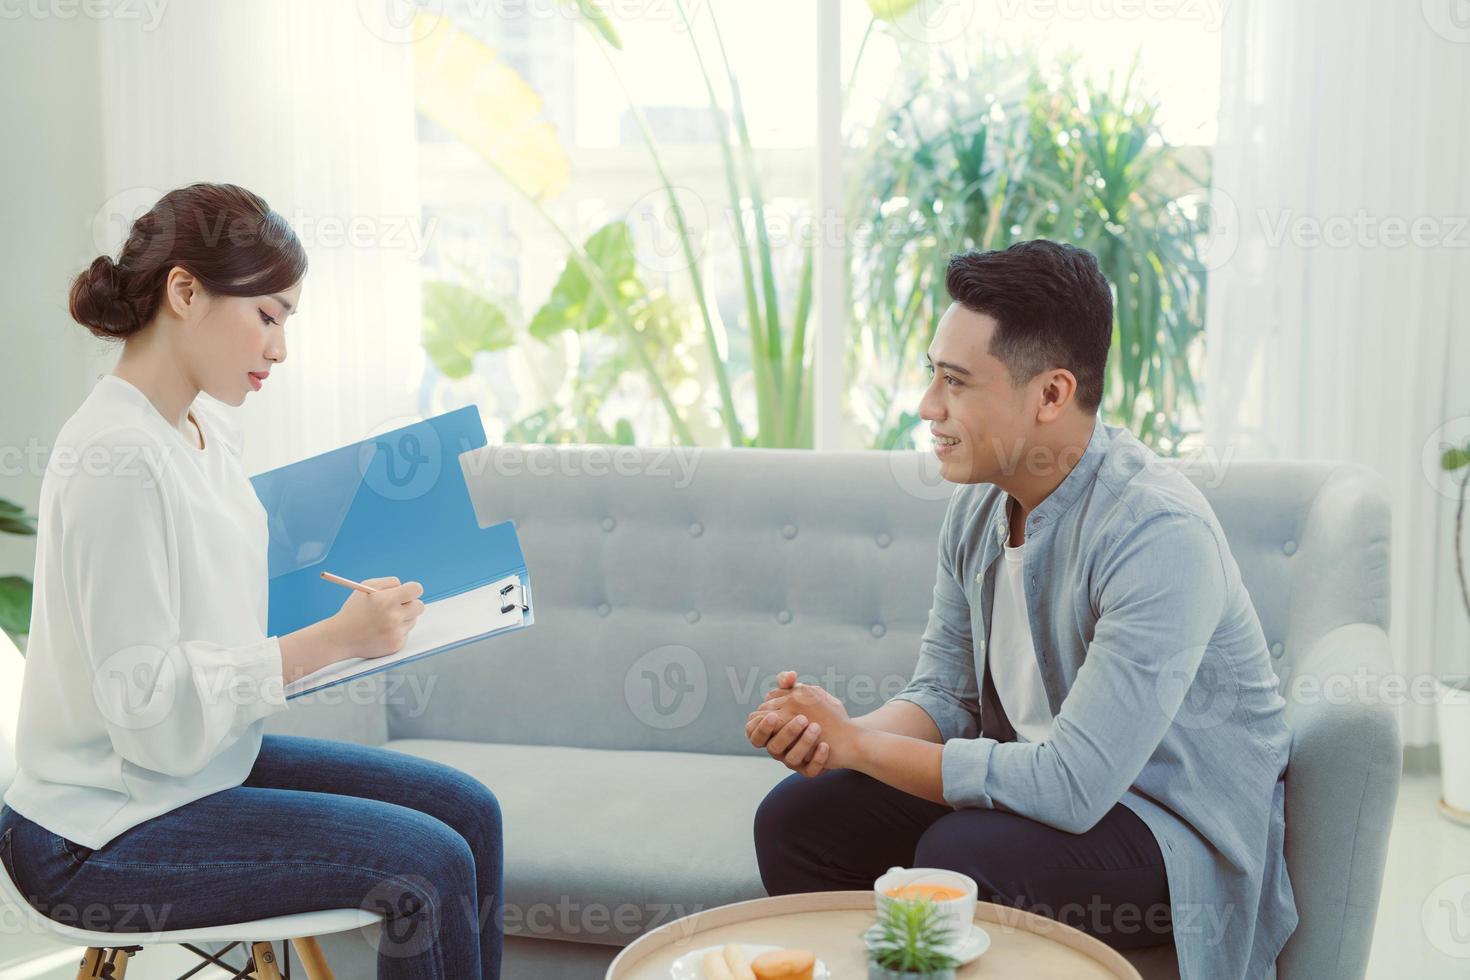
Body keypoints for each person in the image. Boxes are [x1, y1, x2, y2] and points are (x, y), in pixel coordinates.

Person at [747, 240, 1296, 980]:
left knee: (964, 857)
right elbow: (946, 696)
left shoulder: (1159, 535)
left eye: (956, 383)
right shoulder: (979, 506)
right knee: (799, 817)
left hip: (1164, 828)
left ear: (1051, 394)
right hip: (1029, 795)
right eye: (931, 376)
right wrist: (832, 734)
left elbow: (1073, 787)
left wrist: (860, 748)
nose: (927, 407)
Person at [0, 183, 503, 979]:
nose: (279, 348)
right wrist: (332, 640)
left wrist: (363, 611)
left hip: (193, 774)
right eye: (267, 315)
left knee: (469, 811)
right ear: (185, 291)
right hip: (96, 831)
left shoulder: (203, 429)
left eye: (285, 322)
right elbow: (150, 717)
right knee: (426, 865)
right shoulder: (116, 458)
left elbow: (217, 607)